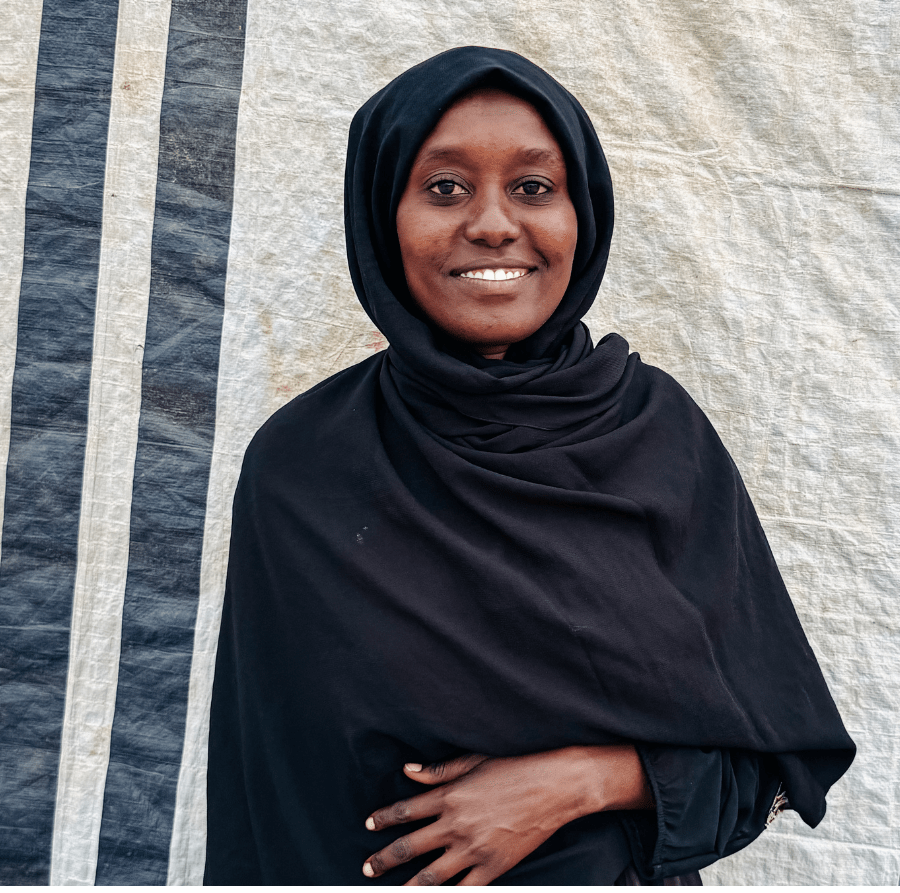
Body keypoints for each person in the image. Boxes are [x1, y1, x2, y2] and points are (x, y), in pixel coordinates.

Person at [204, 46, 855, 886]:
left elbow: (777, 761)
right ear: (379, 214)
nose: (492, 224)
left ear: (582, 213)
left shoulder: (659, 439)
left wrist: (581, 780)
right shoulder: (302, 468)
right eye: (444, 188)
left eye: (533, 187)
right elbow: (272, 803)